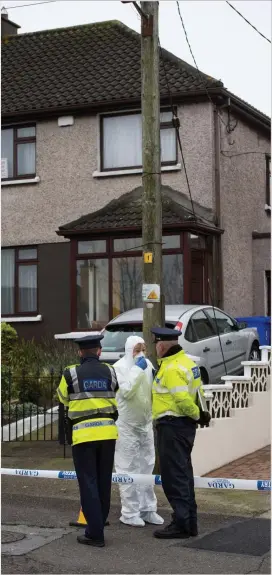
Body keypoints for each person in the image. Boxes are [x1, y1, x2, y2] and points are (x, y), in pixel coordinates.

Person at [57, 334, 119, 548]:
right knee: (104, 481)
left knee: (88, 482)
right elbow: (115, 392)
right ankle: (99, 523)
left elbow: (62, 397)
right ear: (99, 351)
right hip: (108, 435)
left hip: (83, 436)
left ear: (80, 352)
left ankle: (95, 533)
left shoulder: (71, 373)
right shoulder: (111, 371)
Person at [150, 327, 211, 539]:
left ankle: (182, 523)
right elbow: (199, 391)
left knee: (174, 476)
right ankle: (189, 522)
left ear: (161, 345)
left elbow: (183, 400)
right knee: (183, 475)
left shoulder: (171, 369)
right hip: (182, 427)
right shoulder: (188, 363)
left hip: (172, 426)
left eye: (156, 344)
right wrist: (201, 414)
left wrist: (195, 414)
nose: (156, 348)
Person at [114, 335, 164, 527]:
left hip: (145, 424)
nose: (141, 354)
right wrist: (136, 369)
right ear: (129, 351)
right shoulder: (119, 368)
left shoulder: (148, 366)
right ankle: (129, 512)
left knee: (147, 467)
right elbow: (126, 392)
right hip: (126, 426)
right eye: (137, 350)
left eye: (143, 349)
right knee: (127, 468)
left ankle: (147, 509)